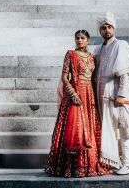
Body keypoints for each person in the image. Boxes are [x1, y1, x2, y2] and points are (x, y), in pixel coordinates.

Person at [44, 29, 111, 177]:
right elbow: (64, 77)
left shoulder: (92, 57)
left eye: (82, 38)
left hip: (89, 96)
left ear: (88, 40)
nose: (79, 40)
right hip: (75, 94)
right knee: (76, 129)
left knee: (90, 128)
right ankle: (71, 166)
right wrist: (73, 94)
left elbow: (94, 79)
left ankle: (90, 165)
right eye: (77, 38)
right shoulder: (70, 54)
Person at [92, 11, 129, 175]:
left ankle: (128, 163)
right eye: (103, 28)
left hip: (115, 89)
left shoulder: (121, 45)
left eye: (109, 27)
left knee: (123, 126)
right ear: (100, 31)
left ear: (114, 29)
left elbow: (124, 74)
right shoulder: (98, 49)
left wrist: (121, 95)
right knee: (108, 128)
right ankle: (116, 161)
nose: (107, 30)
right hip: (101, 92)